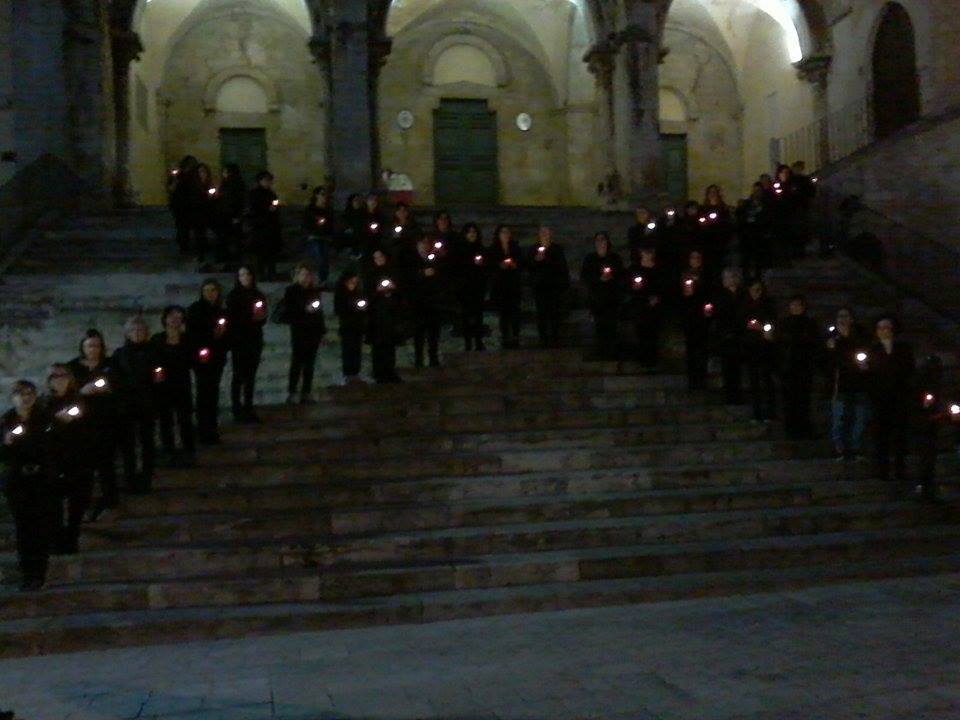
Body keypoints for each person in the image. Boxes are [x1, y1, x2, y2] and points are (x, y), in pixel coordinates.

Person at [1, 380, 54, 590]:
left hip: (41, 479)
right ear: (13, 397)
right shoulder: (6, 421)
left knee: (41, 527)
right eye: (21, 393)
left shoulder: (44, 419)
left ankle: (39, 573)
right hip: (18, 481)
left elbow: (52, 446)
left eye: (30, 393)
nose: (25, 397)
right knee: (24, 529)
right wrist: (6, 443)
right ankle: (27, 573)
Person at [68, 330, 119, 517]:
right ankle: (84, 502)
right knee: (84, 466)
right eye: (89, 345)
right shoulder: (73, 367)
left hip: (105, 421)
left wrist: (109, 389)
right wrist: (83, 392)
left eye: (97, 345)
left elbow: (120, 386)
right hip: (81, 423)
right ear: (83, 347)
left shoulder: (110, 365)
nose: (93, 349)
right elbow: (66, 391)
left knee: (107, 464)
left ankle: (111, 501)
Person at [44, 364, 93, 553]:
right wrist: (56, 421)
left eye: (63, 376)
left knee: (77, 502)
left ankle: (72, 538)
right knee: (53, 503)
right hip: (53, 459)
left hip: (78, 457)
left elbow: (89, 426)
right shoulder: (44, 404)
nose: (59, 380)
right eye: (54, 377)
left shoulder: (79, 400)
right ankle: (57, 540)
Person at [111, 316, 160, 492]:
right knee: (128, 444)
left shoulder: (153, 352)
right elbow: (115, 378)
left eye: (141, 330)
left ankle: (146, 478)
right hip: (127, 404)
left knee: (147, 443)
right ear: (127, 334)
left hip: (148, 402)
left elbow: (159, 375)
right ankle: (130, 478)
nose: (137, 333)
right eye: (133, 330)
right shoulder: (120, 354)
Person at [867, 316, 915, 484]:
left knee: (900, 435)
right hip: (880, 399)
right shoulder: (873, 349)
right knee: (882, 435)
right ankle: (883, 470)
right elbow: (869, 375)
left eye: (887, 327)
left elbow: (909, 370)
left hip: (899, 397)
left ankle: (900, 469)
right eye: (880, 328)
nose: (884, 331)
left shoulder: (903, 348)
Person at [151, 305, 196, 464]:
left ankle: (189, 451)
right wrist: (156, 372)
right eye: (172, 316)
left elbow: (193, 360)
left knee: (185, 419)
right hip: (163, 385)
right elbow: (153, 361)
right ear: (165, 319)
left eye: (179, 317)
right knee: (165, 419)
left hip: (182, 383)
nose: (175, 320)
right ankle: (168, 450)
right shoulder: (157, 339)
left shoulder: (187, 339)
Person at [187, 279, 229, 444]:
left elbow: (227, 335)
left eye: (213, 290)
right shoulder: (195, 309)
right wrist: (211, 336)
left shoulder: (221, 311)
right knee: (203, 392)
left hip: (217, 357)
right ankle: (203, 429)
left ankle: (211, 427)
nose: (210, 294)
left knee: (213, 392)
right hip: (201, 358)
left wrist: (222, 335)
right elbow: (192, 333)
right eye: (206, 290)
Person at [826, 307, 870, 461]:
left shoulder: (859, 337)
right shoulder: (832, 338)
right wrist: (830, 350)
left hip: (858, 383)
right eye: (840, 316)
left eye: (846, 316)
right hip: (839, 384)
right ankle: (839, 449)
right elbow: (826, 362)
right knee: (838, 418)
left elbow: (865, 355)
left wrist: (864, 365)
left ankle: (855, 448)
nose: (843, 319)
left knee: (859, 418)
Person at [226, 266, 268, 422]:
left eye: (248, 274)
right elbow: (232, 318)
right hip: (239, 339)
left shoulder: (258, 295)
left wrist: (260, 316)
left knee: (250, 376)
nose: (245, 277)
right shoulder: (233, 296)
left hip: (254, 338)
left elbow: (262, 317)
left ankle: (248, 408)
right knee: (238, 375)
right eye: (242, 275)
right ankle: (236, 408)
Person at [279, 263, 326, 403]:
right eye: (303, 274)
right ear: (298, 276)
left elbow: (319, 312)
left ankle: (306, 391)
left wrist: (321, 329)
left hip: (313, 330)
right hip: (299, 330)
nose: (306, 277)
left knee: (310, 363)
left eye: (308, 275)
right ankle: (292, 391)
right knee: (297, 362)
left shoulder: (314, 291)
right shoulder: (291, 291)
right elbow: (288, 311)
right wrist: (304, 309)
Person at [779, 295, 821, 439]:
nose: (795, 308)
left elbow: (814, 343)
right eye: (793, 305)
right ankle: (791, 429)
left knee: (803, 399)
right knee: (790, 399)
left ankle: (803, 428)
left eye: (798, 305)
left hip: (804, 366)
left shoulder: (810, 324)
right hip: (789, 367)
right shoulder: (784, 324)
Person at [401, 232, 445, 368]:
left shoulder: (434, 258)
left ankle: (433, 358)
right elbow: (406, 277)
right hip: (418, 301)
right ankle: (418, 359)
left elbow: (442, 274)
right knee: (418, 332)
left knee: (434, 331)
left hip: (433, 301)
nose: (425, 245)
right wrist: (421, 274)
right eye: (423, 243)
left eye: (427, 243)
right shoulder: (411, 259)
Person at [580, 231, 623, 360]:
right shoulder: (590, 259)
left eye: (603, 240)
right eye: (597, 240)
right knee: (600, 327)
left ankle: (612, 353)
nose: (600, 243)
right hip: (597, 298)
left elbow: (621, 276)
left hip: (612, 298)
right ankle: (602, 352)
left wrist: (611, 277)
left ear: (607, 242)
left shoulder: (614, 258)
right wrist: (599, 279)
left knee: (612, 326)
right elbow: (585, 276)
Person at [623, 245, 666, 370]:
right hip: (640, 309)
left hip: (655, 310)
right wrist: (634, 288)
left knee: (654, 336)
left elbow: (665, 288)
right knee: (642, 335)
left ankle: (652, 362)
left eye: (650, 252)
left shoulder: (659, 269)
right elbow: (626, 287)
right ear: (641, 253)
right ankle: (643, 362)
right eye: (646, 251)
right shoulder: (634, 269)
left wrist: (657, 297)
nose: (648, 254)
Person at [528, 225, 569, 349]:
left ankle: (555, 339)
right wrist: (536, 260)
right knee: (541, 314)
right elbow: (529, 267)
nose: (544, 235)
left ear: (550, 235)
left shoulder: (557, 249)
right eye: (542, 232)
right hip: (540, 287)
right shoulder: (533, 250)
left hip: (554, 287)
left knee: (554, 314)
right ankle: (543, 340)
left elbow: (562, 268)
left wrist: (562, 285)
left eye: (546, 232)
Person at [742, 279, 778, 422]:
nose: (756, 293)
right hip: (751, 347)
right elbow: (740, 322)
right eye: (753, 289)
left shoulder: (768, 305)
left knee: (767, 379)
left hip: (765, 347)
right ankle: (756, 413)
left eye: (759, 290)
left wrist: (763, 328)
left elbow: (772, 323)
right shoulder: (745, 305)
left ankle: (770, 413)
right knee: (754, 380)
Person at [366, 250, 402, 383]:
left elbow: (400, 292)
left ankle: (390, 371)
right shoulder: (371, 275)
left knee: (390, 345)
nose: (379, 259)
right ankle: (378, 372)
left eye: (381, 256)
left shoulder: (392, 272)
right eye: (376, 258)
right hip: (377, 316)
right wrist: (378, 291)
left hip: (390, 314)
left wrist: (393, 288)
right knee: (378, 345)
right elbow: (367, 296)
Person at [453, 222, 489, 352]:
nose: (472, 234)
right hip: (465, 287)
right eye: (469, 232)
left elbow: (486, 267)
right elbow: (457, 267)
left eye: (474, 232)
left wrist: (481, 265)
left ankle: (478, 341)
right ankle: (468, 342)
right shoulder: (460, 250)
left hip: (478, 286)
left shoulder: (481, 249)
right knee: (466, 316)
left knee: (478, 315)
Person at [678, 250, 711, 390]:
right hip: (689, 316)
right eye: (693, 257)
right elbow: (679, 296)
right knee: (691, 349)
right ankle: (692, 379)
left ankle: (702, 377)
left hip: (703, 316)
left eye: (698, 257)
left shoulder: (707, 275)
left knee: (703, 348)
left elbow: (710, 293)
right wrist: (687, 293)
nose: (695, 260)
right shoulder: (684, 275)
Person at [713, 268, 745, 404]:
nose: (726, 280)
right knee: (727, 367)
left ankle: (737, 395)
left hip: (739, 335)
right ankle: (729, 395)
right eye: (725, 278)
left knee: (737, 367)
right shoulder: (720, 296)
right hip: (725, 336)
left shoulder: (742, 295)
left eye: (729, 277)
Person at [488, 224, 523, 349]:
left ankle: (515, 335)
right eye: (503, 232)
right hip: (500, 284)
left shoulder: (515, 248)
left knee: (515, 311)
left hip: (513, 284)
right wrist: (499, 266)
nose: (505, 235)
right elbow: (490, 265)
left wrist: (514, 265)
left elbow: (521, 263)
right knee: (503, 312)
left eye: (507, 232)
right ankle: (505, 336)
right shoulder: (493, 249)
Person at [333, 270, 368, 384]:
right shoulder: (341, 292)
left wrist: (362, 307)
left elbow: (364, 304)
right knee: (348, 349)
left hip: (358, 325)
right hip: (347, 326)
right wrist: (352, 305)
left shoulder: (359, 291)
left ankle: (356, 372)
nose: (354, 283)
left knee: (357, 349)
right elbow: (338, 309)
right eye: (352, 281)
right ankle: (348, 373)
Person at [248, 171, 282, 280]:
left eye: (270, 180)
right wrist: (267, 209)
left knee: (271, 252)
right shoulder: (254, 194)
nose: (268, 183)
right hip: (259, 227)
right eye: (266, 180)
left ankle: (271, 272)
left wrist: (274, 207)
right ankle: (260, 273)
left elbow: (275, 204)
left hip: (271, 226)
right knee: (260, 253)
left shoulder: (271, 193)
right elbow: (253, 209)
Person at [213, 163, 246, 267]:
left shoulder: (235, 185)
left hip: (230, 215)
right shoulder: (227, 184)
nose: (224, 174)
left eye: (225, 172)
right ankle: (228, 258)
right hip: (225, 215)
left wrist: (237, 216)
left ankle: (231, 259)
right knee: (227, 238)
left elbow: (238, 201)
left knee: (232, 238)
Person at [736, 182, 773, 278]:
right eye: (755, 190)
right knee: (746, 260)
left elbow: (768, 219)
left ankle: (757, 278)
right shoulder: (746, 204)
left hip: (759, 236)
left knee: (758, 260)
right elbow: (740, 217)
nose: (756, 193)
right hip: (747, 236)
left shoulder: (766, 205)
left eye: (759, 190)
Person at [699, 185, 733, 280]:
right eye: (710, 192)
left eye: (714, 192)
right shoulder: (703, 209)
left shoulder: (723, 209)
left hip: (719, 243)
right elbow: (700, 222)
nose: (712, 194)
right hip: (706, 243)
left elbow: (727, 225)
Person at [303, 186, 335, 285]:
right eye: (322, 194)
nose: (324, 197)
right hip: (313, 237)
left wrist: (329, 234)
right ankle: (314, 279)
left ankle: (323, 279)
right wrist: (310, 233)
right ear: (316, 195)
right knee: (319, 256)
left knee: (325, 258)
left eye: (326, 195)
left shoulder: (328, 209)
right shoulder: (310, 209)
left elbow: (331, 224)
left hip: (325, 237)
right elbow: (306, 224)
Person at [168, 155, 199, 254]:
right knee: (182, 226)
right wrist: (175, 179)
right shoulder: (179, 175)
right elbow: (171, 189)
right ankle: (184, 245)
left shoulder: (194, 175)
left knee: (188, 226)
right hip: (181, 205)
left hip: (190, 204)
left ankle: (188, 245)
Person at [194, 163, 216, 268]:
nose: (202, 174)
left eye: (204, 171)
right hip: (198, 213)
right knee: (199, 234)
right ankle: (201, 255)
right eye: (200, 172)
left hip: (209, 212)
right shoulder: (195, 185)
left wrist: (211, 196)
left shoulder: (209, 183)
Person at [340, 193, 366, 258]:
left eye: (359, 200)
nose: (358, 202)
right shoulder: (346, 214)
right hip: (350, 236)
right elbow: (344, 226)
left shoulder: (364, 213)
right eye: (355, 200)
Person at [361, 193, 386, 260]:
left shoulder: (380, 215)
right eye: (371, 199)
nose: (373, 202)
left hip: (377, 242)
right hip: (365, 243)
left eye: (375, 200)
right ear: (366, 201)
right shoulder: (361, 214)